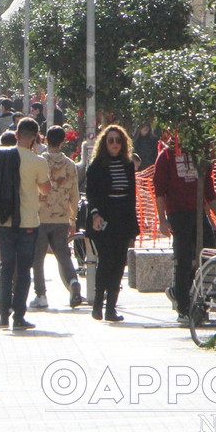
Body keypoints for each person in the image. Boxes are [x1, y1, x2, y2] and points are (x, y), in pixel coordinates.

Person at [0, 118, 51, 330]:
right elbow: (45, 189)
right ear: (36, 138)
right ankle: (19, 315)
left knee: (6, 268)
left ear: (16, 135)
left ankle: (3, 314)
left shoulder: (1, 157)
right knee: (24, 269)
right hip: (28, 221)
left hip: (4, 221)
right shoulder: (38, 162)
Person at [154, 142, 216, 322]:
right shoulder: (166, 157)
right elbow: (159, 191)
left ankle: (198, 298)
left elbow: (208, 189)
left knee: (210, 253)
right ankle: (183, 307)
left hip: (199, 213)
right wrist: (162, 220)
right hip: (177, 214)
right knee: (183, 258)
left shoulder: (199, 155)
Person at [86, 125, 140, 322]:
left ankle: (111, 308)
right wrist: (95, 215)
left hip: (123, 218)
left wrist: (133, 224)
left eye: (118, 140)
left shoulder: (127, 164)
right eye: (111, 140)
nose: (115, 144)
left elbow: (131, 194)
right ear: (104, 143)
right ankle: (97, 305)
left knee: (119, 264)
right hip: (103, 218)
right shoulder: (97, 165)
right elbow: (91, 193)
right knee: (106, 261)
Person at [30, 126, 82, 310]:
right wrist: (72, 219)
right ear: (63, 142)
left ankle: (41, 294)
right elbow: (75, 194)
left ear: (46, 140)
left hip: (39, 217)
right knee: (63, 255)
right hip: (61, 217)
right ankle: (73, 281)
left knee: (38, 258)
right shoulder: (70, 165)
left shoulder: (39, 161)